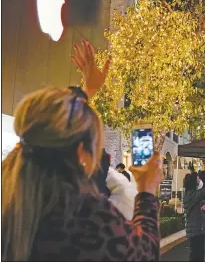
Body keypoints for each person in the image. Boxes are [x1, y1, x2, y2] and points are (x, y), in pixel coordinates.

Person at [1, 40, 163, 261]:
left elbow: (48, 125)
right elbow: (143, 253)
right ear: (81, 153)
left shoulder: (10, 189)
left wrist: (85, 91)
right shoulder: (81, 214)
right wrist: (146, 191)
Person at [184, 160, 205, 262]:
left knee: (198, 253)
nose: (200, 180)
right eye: (198, 179)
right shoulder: (193, 195)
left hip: (197, 229)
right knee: (196, 255)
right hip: (196, 230)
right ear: (194, 183)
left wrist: (204, 209)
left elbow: (201, 209)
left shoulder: (192, 195)